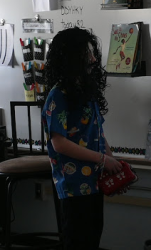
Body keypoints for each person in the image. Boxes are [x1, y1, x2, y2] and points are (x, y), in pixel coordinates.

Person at [43, 27, 120, 250]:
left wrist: (111, 162)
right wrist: (103, 160)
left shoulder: (85, 91)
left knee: (93, 237)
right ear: (72, 58)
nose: (94, 59)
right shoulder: (58, 95)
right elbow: (59, 142)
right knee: (78, 240)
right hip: (74, 186)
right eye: (87, 54)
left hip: (94, 182)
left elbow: (97, 132)